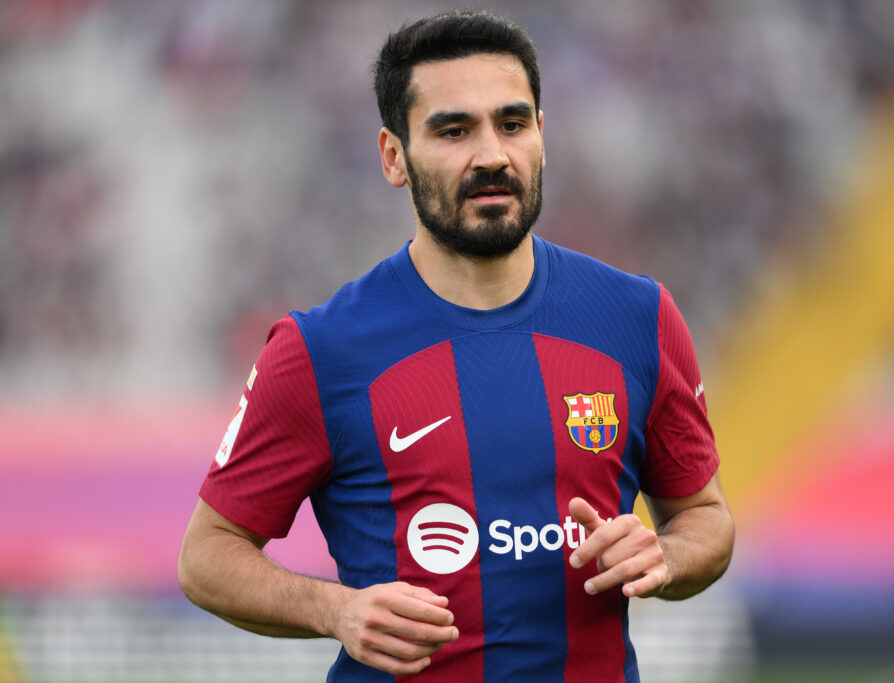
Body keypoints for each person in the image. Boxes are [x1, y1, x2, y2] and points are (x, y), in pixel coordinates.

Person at [178, 9, 734, 681]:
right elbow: (207, 553)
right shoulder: (320, 349)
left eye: (512, 122)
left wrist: (666, 557)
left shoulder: (637, 317)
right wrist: (337, 609)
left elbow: (705, 518)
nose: (492, 155)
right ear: (394, 157)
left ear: (542, 136)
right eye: (453, 130)